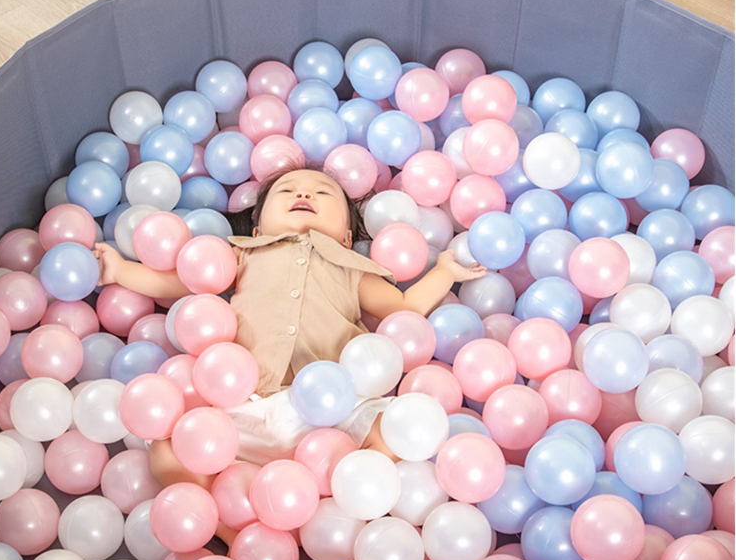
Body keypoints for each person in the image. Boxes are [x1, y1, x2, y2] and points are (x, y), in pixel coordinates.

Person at [93, 163, 486, 540]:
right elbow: (181, 282)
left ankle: (344, 501)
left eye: (323, 193)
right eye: (286, 190)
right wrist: (121, 271)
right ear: (258, 228)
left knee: (397, 423)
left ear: (346, 237)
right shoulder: (242, 255)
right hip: (244, 409)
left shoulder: (351, 268)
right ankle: (225, 528)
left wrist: (444, 272)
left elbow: (403, 308)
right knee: (167, 445)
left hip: (334, 414)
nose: (304, 194)